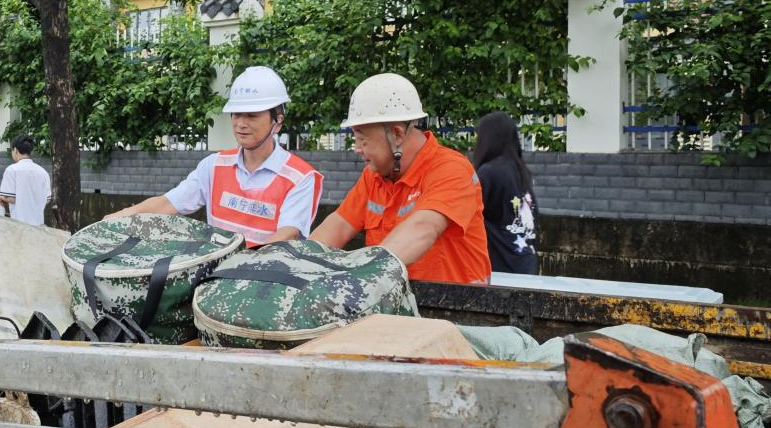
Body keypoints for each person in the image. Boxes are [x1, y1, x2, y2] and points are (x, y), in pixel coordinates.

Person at [106, 66, 322, 246]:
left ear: (278, 121)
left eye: (252, 115)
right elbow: (168, 204)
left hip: (266, 279)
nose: (241, 123)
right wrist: (120, 216)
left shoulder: (300, 177)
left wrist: (240, 264)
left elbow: (288, 234)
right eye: (236, 114)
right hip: (217, 275)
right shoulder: (214, 166)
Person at [310, 73, 491, 283]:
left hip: (456, 302)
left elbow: (424, 228)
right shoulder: (374, 176)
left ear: (397, 134)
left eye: (362, 139)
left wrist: (362, 278)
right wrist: (297, 263)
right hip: (398, 298)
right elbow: (339, 226)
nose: (357, 148)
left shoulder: (451, 170)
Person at [472, 112, 539, 274]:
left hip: (500, 267)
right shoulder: (519, 170)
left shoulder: (489, 172)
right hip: (525, 263)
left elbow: (469, 215)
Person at [0, 135, 51, 226]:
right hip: (38, 226)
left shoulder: (12, 170)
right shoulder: (43, 172)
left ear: (15, 150)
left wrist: (1, 197)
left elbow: (11, 198)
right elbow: (47, 199)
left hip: (19, 225)